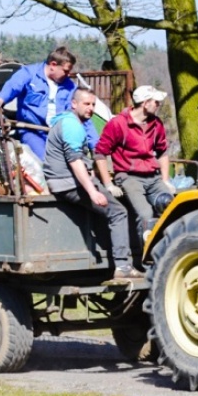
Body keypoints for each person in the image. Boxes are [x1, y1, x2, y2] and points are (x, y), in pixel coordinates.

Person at [43, 88, 142, 279]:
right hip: (69, 184)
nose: (90, 109)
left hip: (64, 181)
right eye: (86, 104)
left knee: (111, 201)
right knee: (119, 212)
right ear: (74, 104)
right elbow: (74, 161)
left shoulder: (66, 122)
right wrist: (92, 191)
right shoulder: (72, 126)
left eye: (93, 105)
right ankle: (123, 266)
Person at [95, 85, 175, 239]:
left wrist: (166, 180)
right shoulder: (118, 124)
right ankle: (147, 259)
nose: (159, 105)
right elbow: (100, 154)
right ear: (145, 104)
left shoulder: (156, 124)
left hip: (153, 176)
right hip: (129, 177)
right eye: (156, 102)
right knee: (146, 215)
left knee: (169, 206)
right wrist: (108, 184)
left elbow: (162, 151)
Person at [0, 46, 98, 159]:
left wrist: (95, 147)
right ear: (53, 65)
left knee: (73, 161)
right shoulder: (29, 74)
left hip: (59, 135)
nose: (68, 74)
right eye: (65, 71)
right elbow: (13, 86)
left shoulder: (70, 87)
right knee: (47, 162)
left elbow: (81, 116)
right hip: (32, 131)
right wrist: (0, 101)